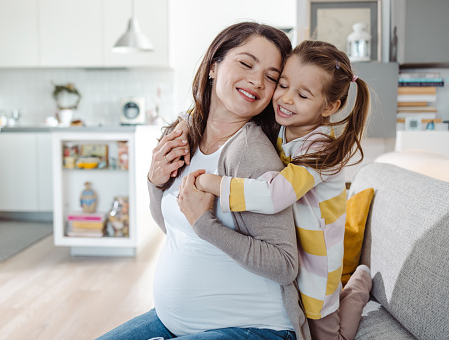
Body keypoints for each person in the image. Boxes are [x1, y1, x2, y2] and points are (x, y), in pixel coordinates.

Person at [96, 22, 310, 340]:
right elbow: (172, 228)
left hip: (254, 328)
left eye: (271, 77)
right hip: (172, 320)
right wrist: (155, 181)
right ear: (214, 66)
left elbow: (284, 264)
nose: (256, 80)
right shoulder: (183, 136)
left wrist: (206, 224)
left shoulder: (251, 154)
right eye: (246, 63)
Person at [180, 40, 373, 340]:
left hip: (316, 266)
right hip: (296, 251)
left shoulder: (322, 150)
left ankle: (359, 286)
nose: (285, 99)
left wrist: (211, 183)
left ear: (330, 106)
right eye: (282, 85)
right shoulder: (284, 128)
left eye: (302, 94)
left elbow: (273, 195)